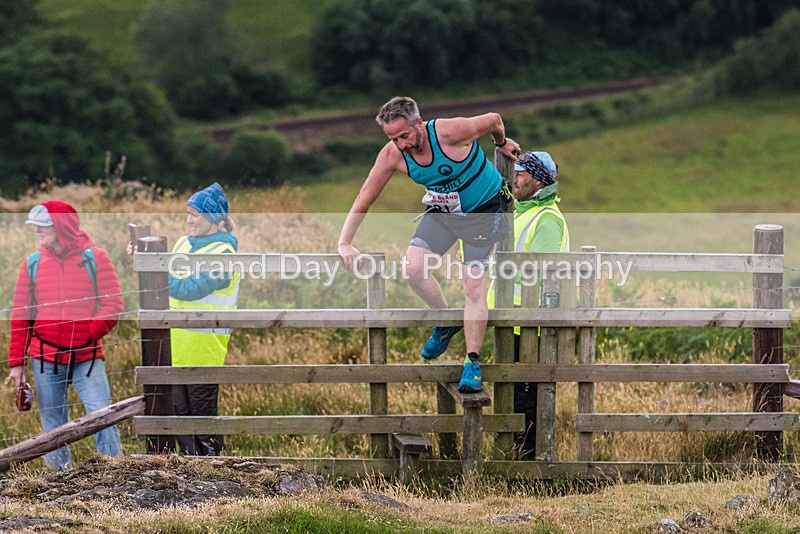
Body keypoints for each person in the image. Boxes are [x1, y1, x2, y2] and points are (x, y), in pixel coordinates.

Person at [338, 96, 520, 393]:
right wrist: (344, 243)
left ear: (419, 123)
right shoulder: (392, 155)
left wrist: (500, 144)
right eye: (393, 138)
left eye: (404, 135)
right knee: (412, 269)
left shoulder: (451, 132)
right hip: (444, 213)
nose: (401, 144)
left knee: (474, 285)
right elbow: (364, 199)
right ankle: (446, 321)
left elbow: (494, 119)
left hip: (483, 212)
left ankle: (472, 363)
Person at [7, 201, 124, 470]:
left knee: (102, 416)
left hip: (87, 358)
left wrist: (88, 333)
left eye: (44, 225)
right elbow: (22, 315)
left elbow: (114, 305)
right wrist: (17, 363)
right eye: (36, 225)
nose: (37, 230)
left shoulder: (96, 259)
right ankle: (59, 480)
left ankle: (115, 474)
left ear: (62, 227)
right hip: (45, 360)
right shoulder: (32, 263)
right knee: (53, 425)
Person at [497, 151, 570, 460]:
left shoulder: (547, 219)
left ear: (538, 181)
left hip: (533, 326)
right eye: (513, 171)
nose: (514, 177)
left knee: (527, 399)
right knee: (513, 396)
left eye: (521, 173)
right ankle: (517, 462)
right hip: (512, 321)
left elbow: (539, 273)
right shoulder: (522, 212)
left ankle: (531, 467)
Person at [168, 182, 240, 456]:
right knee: (179, 415)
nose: (189, 220)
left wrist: (154, 276)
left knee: (202, 416)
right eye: (188, 214)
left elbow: (189, 289)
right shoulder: (182, 243)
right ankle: (190, 470)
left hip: (203, 348)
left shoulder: (224, 254)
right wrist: (146, 258)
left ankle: (213, 469)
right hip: (174, 345)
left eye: (195, 215)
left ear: (212, 218)